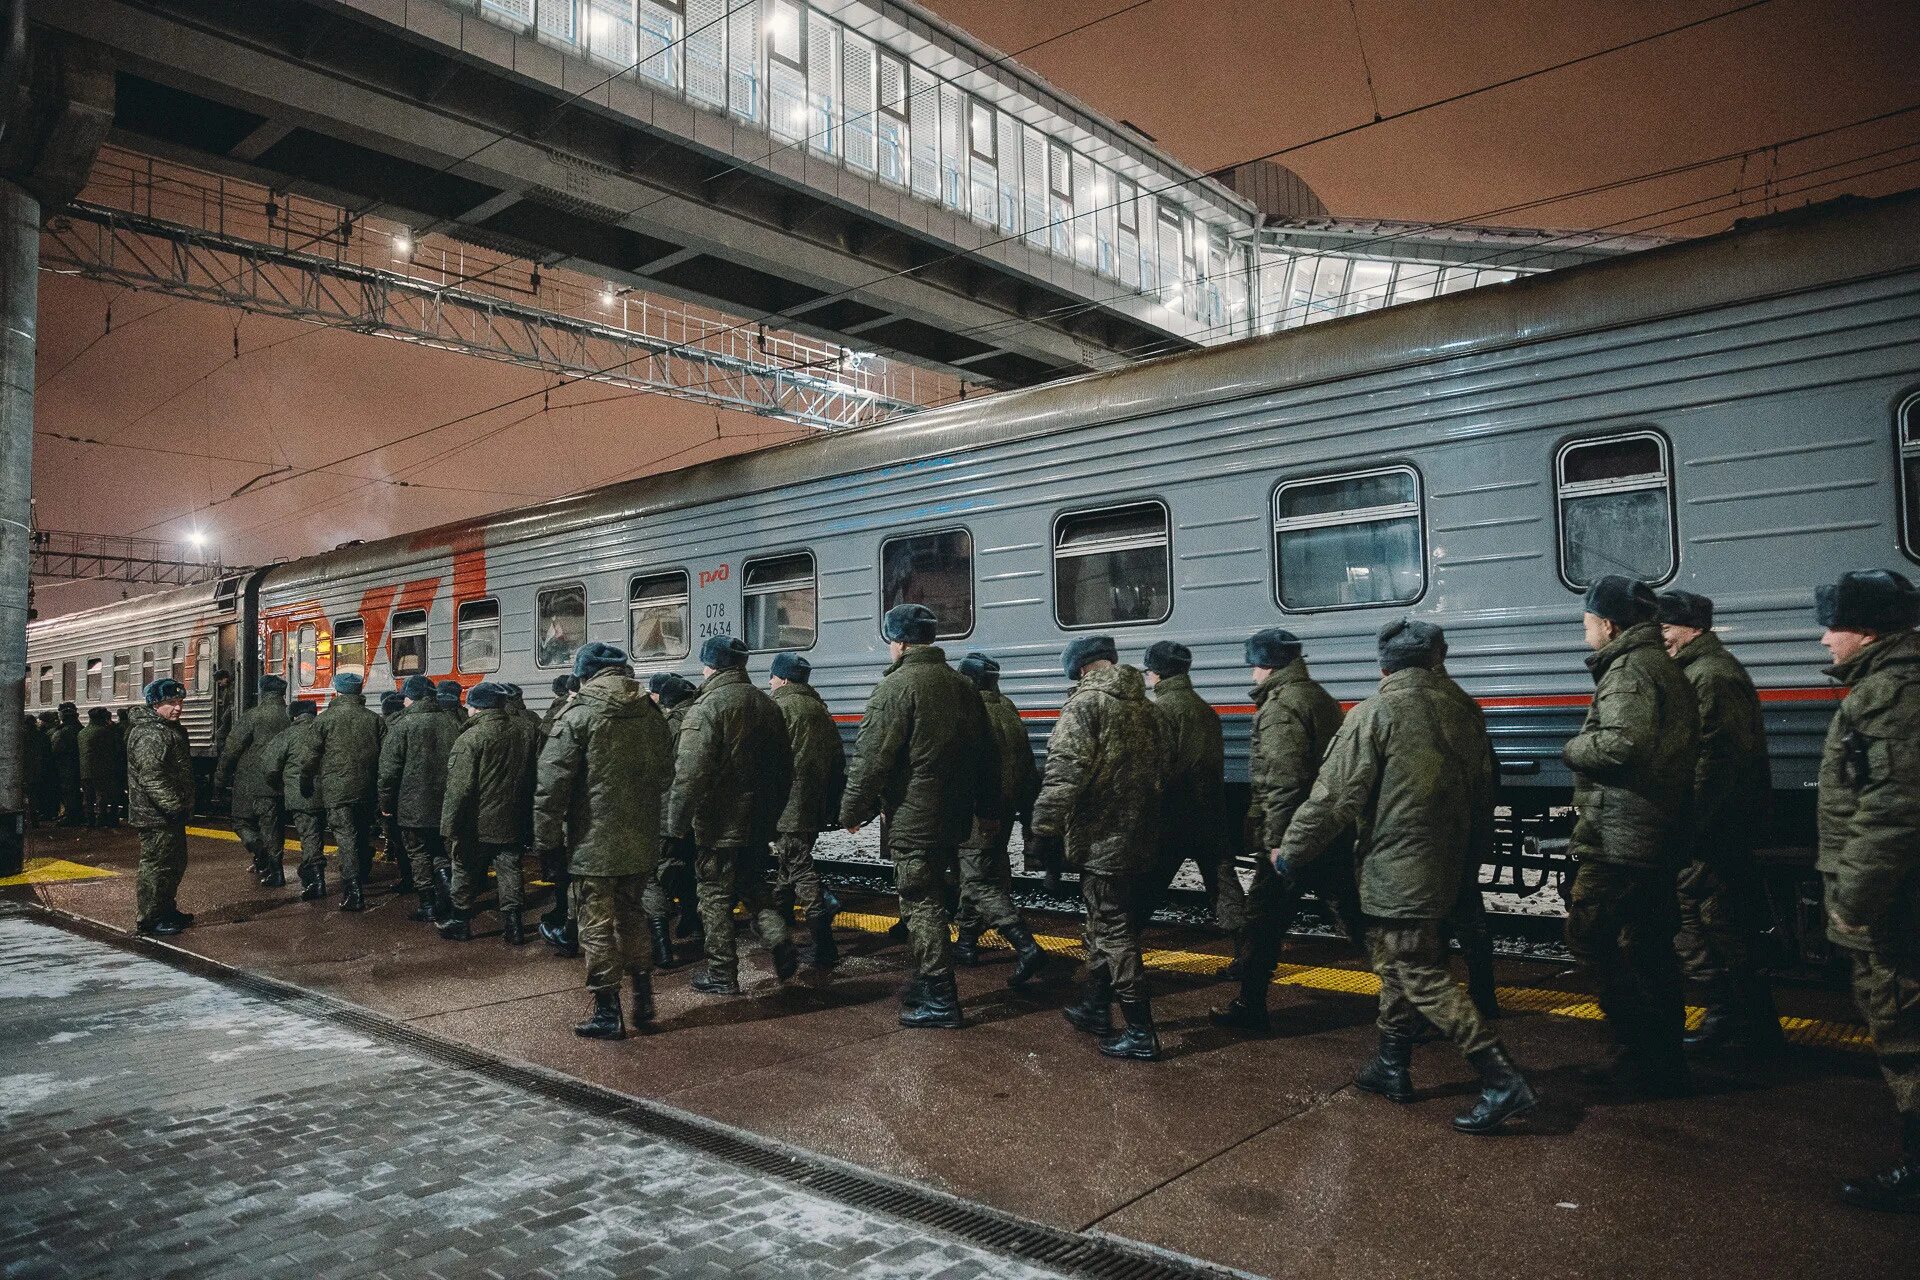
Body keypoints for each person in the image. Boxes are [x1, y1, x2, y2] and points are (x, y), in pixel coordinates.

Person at [1275, 620, 1535, 1133]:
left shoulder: (1376, 713)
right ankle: (1391, 1064)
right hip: (1450, 859)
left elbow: (1333, 797)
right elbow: (1488, 788)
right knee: (1398, 960)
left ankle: (1500, 1077)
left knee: (1417, 969)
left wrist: (1291, 851)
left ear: (1383, 666)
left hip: (1401, 863)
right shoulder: (1463, 709)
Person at [1563, 575, 1700, 1098]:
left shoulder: (1629, 671)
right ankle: (1663, 1061)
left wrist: (1574, 750)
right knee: (1648, 946)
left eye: (1587, 624)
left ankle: (1636, 1056)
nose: (1585, 634)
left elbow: (1622, 744)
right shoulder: (1660, 666)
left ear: (1610, 624)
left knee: (1590, 934)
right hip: (1652, 831)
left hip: (1624, 837)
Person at [1812, 570, 1920, 1212]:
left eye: (1835, 625)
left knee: (1904, 1031)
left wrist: (1852, 902)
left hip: (1896, 904)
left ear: (1868, 630)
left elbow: (1894, 811)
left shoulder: (1888, 693)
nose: (1825, 639)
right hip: (1902, 894)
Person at [841, 604, 1000, 1028]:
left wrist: (853, 810)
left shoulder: (897, 688)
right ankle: (927, 983)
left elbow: (871, 760)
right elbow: (987, 756)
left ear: (901, 642)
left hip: (915, 816)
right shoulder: (961, 686)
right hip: (954, 816)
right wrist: (986, 810)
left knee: (920, 901)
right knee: (935, 893)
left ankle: (941, 997)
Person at [1656, 589, 1785, 1055]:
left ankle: (1738, 1022)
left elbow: (1713, 761)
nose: (1661, 636)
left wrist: (1685, 824)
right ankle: (1743, 1022)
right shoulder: (1702, 670)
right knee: (1715, 922)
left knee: (1711, 921)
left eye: (1666, 627)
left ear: (1690, 628)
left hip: (1714, 828)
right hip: (1715, 824)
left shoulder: (1710, 676)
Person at [1210, 628, 1354, 1034]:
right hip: (1327, 828)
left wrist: (1276, 843)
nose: (1252, 674)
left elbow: (1283, 782)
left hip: (1294, 834)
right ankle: (1414, 999)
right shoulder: (1320, 698)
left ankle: (1250, 1007)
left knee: (1262, 922)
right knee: (1357, 920)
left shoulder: (1280, 707)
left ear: (1267, 664)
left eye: (1254, 665)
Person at [1031, 635, 1166, 1059]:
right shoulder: (1148, 708)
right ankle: (1094, 1006)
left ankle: (1140, 1031)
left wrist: (1043, 830)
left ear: (1081, 668)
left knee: (1113, 929)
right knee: (1104, 923)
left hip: (1102, 839)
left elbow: (1063, 773)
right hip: (1140, 835)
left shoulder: (1085, 706)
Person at [534, 643, 674, 1039]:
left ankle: (607, 1011)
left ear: (585, 674)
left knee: (595, 924)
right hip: (640, 836)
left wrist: (547, 843)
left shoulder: (578, 715)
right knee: (633, 915)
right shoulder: (651, 713)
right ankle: (643, 996)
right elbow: (665, 773)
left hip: (593, 841)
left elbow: (551, 786)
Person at [663, 635, 797, 995]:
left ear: (710, 666)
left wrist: (674, 829)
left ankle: (722, 974)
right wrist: (771, 814)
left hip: (718, 822)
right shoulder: (768, 705)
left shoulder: (707, 709)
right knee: (753, 887)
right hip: (757, 821)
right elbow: (786, 769)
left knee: (714, 896)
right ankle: (779, 937)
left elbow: (689, 775)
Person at [953, 652, 1046, 984]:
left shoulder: (971, 713)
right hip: (1004, 810)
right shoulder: (1008, 709)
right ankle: (965, 943)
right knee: (977, 875)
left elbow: (970, 769)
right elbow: (1025, 765)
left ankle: (1026, 946)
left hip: (980, 810)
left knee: (978, 882)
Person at [1139, 641, 1237, 932]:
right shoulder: (1205, 709)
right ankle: (1246, 951)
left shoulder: (1162, 710)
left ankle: (1119, 948)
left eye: (1148, 671)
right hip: (1211, 809)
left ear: (1157, 673)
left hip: (1175, 812)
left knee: (1148, 886)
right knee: (1223, 885)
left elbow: (1158, 766)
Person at [768, 652, 846, 970]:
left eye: (773, 677)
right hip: (813, 803)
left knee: (799, 869)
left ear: (784, 679)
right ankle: (779, 925)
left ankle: (824, 943)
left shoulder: (778, 708)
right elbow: (838, 760)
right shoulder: (819, 709)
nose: (770, 682)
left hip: (787, 803)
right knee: (789, 866)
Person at [441, 682, 536, 944]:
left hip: (477, 822)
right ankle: (514, 927)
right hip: (512, 817)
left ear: (475, 707)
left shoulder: (471, 738)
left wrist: (449, 827)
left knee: (464, 868)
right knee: (510, 869)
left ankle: (461, 923)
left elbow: (459, 789)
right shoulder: (525, 731)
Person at [298, 672, 386, 912]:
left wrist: (305, 781)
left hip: (337, 790)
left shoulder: (325, 720)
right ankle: (363, 874)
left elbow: (309, 757)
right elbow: (385, 756)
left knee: (346, 838)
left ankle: (353, 891)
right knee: (362, 833)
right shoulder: (374, 720)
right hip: (367, 790)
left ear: (337, 691)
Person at [380, 674, 461, 926]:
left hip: (412, 804)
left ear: (410, 698)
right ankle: (448, 896)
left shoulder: (402, 726)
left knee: (418, 853)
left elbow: (388, 772)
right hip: (445, 802)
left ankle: (427, 905)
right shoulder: (451, 722)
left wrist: (385, 805)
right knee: (440, 851)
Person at [127, 679, 195, 935]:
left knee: (173, 864)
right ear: (155, 705)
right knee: (157, 866)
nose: (178, 708)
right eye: (171, 703)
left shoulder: (167, 729)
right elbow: (152, 776)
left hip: (167, 814)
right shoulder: (149, 734)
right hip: (155, 815)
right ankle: (150, 918)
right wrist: (174, 806)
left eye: (180, 703)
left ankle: (165, 910)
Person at [644, 671, 702, 959]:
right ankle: (694, 921)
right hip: (697, 814)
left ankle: (662, 946)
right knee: (687, 869)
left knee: (652, 876)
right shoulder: (702, 715)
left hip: (668, 811)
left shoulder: (670, 724)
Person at [215, 675, 291, 884]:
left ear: (263, 692)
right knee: (272, 827)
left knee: (241, 823)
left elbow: (231, 749)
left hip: (250, 782)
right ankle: (275, 871)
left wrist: (219, 780)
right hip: (277, 782)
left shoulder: (253, 716)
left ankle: (260, 852)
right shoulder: (288, 717)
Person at [261, 700, 325, 898]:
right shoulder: (325, 730)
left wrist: (280, 786)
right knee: (318, 834)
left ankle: (317, 881)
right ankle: (310, 873)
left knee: (309, 836)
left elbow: (270, 767)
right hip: (330, 792)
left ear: (294, 716)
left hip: (301, 794)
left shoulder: (287, 735)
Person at [537, 674, 580, 953]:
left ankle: (571, 935)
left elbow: (551, 779)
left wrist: (545, 838)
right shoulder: (648, 715)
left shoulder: (570, 719)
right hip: (635, 821)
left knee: (579, 879)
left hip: (584, 819)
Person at [379, 689, 410, 888]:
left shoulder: (388, 729)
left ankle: (408, 879)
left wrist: (384, 800)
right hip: (414, 792)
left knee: (400, 838)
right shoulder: (410, 724)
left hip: (396, 792)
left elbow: (386, 770)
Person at [77, 707, 117, 828]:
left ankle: (89, 820)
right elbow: (112, 749)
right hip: (102, 769)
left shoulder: (82, 732)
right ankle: (100, 820)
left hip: (85, 770)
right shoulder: (105, 731)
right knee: (101, 796)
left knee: (87, 796)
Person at [51, 702, 82, 826]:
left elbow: (55, 750)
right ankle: (76, 815)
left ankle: (71, 817)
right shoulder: (79, 728)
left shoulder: (62, 732)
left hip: (66, 765)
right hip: (77, 764)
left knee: (69, 791)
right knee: (76, 791)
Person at [21, 716, 52, 828]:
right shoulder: (42, 736)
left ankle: (21, 823)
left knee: (21, 799)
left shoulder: (21, 736)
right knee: (33, 797)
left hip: (23, 770)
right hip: (37, 770)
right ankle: (34, 822)